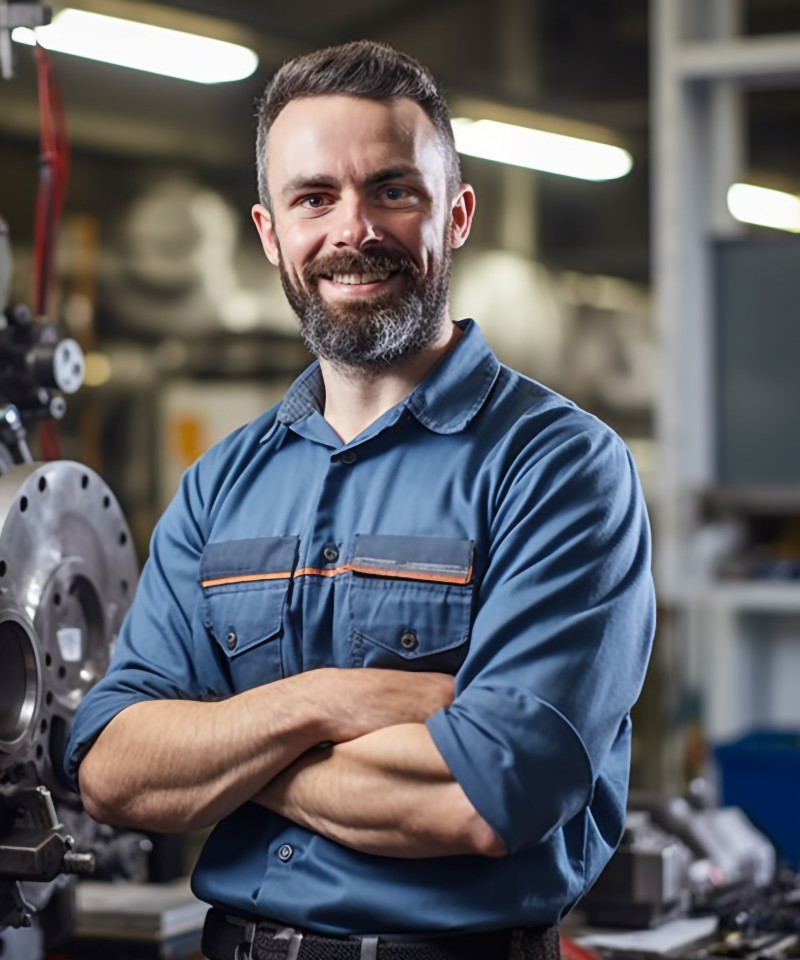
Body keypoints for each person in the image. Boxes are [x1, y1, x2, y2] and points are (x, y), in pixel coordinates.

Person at [65, 40, 656, 960]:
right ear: (270, 234)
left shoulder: (561, 468)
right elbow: (113, 773)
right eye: (314, 198)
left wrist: (224, 756)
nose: (354, 230)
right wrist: (326, 702)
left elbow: (482, 797)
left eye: (392, 190)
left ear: (455, 216)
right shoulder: (222, 483)